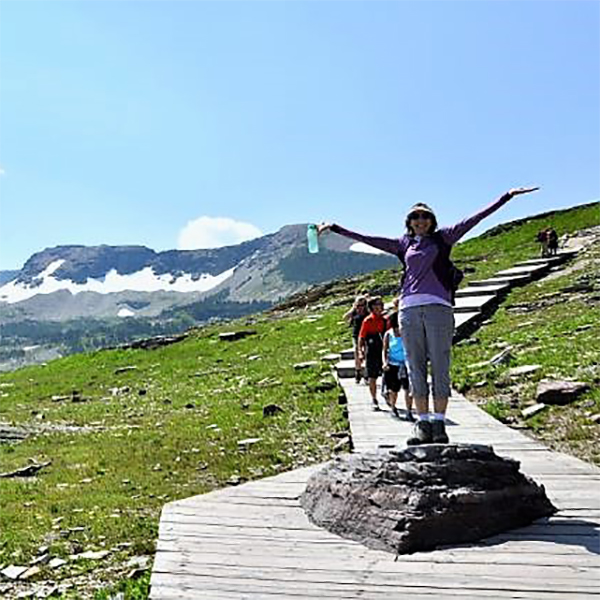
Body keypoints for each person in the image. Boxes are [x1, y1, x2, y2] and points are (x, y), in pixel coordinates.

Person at [319, 186, 539, 445]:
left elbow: (475, 219)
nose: (420, 220)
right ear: (409, 223)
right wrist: (336, 227)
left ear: (432, 221)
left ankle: (439, 423)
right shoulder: (403, 244)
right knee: (415, 366)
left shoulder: (443, 238)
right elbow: (367, 238)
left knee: (440, 363)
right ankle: (422, 422)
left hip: (439, 308)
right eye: (416, 217)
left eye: (425, 216)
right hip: (409, 310)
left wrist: (506, 197)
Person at [382, 311, 414, 421]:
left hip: (406, 364)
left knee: (408, 389)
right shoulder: (388, 334)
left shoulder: (407, 333)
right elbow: (385, 350)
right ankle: (393, 407)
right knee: (393, 389)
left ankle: (409, 411)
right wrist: (385, 362)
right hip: (392, 364)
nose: (398, 330)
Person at [357, 296, 387, 411]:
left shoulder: (385, 321)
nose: (379, 307)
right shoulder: (367, 321)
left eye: (380, 305)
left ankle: (386, 393)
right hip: (371, 352)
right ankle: (374, 399)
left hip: (383, 351)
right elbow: (361, 337)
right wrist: (360, 352)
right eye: (376, 305)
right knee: (372, 377)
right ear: (372, 308)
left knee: (387, 374)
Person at [343, 295, 369, 383]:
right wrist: (353, 309)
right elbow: (345, 317)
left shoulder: (367, 313)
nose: (361, 307)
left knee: (366, 353)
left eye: (362, 305)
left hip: (366, 335)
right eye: (359, 305)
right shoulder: (354, 312)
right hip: (356, 335)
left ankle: (366, 373)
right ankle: (358, 371)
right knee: (357, 353)